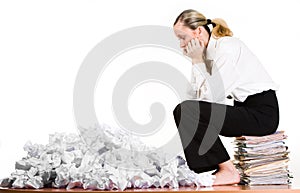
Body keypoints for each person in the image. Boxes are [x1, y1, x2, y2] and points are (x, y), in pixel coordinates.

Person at [172, 9, 280, 185]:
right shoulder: (208, 54)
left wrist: (198, 61)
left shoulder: (226, 48)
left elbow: (209, 101)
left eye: (182, 37)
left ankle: (228, 171)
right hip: (244, 109)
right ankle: (212, 169)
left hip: (262, 115)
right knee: (185, 110)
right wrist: (196, 61)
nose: (181, 44)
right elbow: (193, 98)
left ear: (198, 31)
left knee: (186, 110)